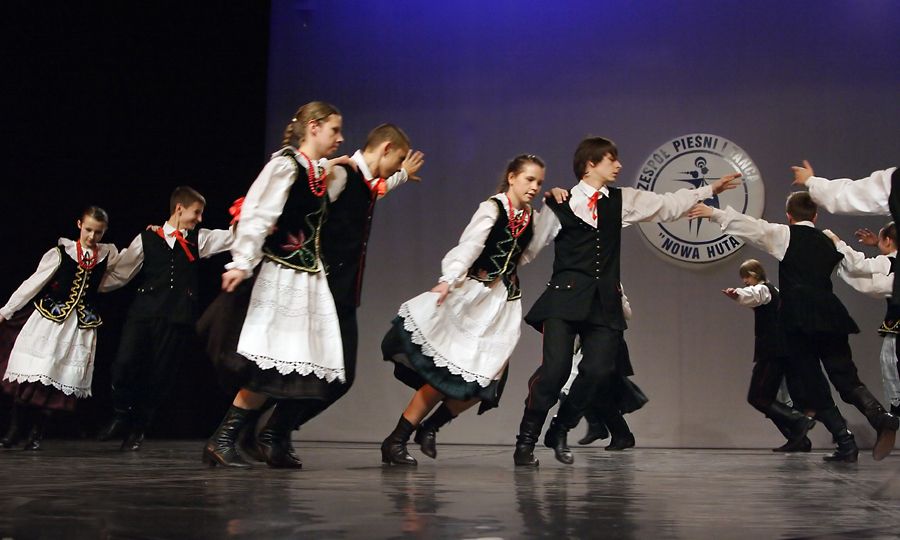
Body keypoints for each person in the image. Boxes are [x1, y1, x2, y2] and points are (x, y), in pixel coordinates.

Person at [513, 136, 739, 467]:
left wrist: (709, 189)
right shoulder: (560, 203)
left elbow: (666, 204)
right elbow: (529, 249)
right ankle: (525, 442)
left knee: (599, 370)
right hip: (564, 299)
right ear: (591, 164)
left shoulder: (622, 200)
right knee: (554, 371)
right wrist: (494, 273)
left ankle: (560, 429)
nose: (618, 165)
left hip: (603, 302)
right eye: (611, 160)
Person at [254, 124, 425, 458]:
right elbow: (306, 206)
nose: (397, 166)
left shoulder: (362, 181)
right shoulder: (342, 174)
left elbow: (374, 189)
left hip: (343, 294)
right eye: (398, 159)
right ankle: (265, 432)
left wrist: (402, 175)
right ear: (386, 149)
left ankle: (272, 431)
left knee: (337, 378)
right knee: (312, 372)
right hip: (323, 290)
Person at [198, 101, 353, 468]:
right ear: (313, 127)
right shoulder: (285, 166)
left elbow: (345, 170)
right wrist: (242, 263)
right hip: (280, 276)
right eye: (334, 130)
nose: (340, 138)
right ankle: (223, 438)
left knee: (304, 364)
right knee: (269, 363)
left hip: (307, 279)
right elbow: (257, 214)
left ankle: (263, 439)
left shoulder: (317, 172)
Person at [690, 192, 899, 462]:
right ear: (815, 215)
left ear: (789, 215)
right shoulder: (828, 240)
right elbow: (858, 269)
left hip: (798, 320)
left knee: (813, 384)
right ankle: (880, 416)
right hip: (830, 314)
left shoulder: (785, 235)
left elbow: (753, 228)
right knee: (846, 378)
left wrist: (714, 213)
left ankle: (846, 442)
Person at [380, 154, 549, 465]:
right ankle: (396, 440)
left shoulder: (532, 218)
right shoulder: (492, 208)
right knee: (442, 376)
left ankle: (430, 427)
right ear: (512, 177)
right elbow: (470, 246)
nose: (535, 187)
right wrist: (448, 279)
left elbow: (526, 254)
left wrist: (553, 208)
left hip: (501, 306)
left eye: (539, 182)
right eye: (529, 179)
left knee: (486, 383)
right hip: (472, 298)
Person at [96, 186, 234, 451]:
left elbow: (231, 237)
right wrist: (91, 287)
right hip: (144, 312)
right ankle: (122, 413)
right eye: (197, 212)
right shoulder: (146, 238)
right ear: (179, 209)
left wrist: (252, 221)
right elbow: (121, 273)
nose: (200, 218)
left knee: (159, 375)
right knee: (124, 364)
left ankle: (138, 428)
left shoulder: (199, 239)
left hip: (177, 317)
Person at [0, 207, 129, 450]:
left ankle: (36, 434)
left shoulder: (106, 255)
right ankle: (14, 431)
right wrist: (6, 311)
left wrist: (149, 237)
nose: (92, 236)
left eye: (98, 232)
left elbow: (127, 267)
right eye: (88, 229)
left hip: (79, 327)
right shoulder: (62, 252)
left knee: (57, 380)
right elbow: (33, 283)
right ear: (79, 224)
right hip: (50, 321)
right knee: (33, 373)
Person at [721, 259, 815, 452]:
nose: (745, 281)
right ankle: (798, 438)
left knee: (758, 397)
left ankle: (800, 421)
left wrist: (736, 293)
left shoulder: (764, 290)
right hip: (779, 351)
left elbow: (753, 294)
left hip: (772, 352)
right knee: (768, 400)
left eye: (746, 277)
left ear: (754, 274)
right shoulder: (775, 292)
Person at [825, 223, 900, 417]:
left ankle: (896, 410)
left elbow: (860, 268)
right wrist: (879, 244)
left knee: (892, 366)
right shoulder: (891, 261)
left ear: (888, 241)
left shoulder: (890, 262)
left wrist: (837, 242)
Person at [559, 288, 646, 451]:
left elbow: (627, 314)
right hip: (589, 347)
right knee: (597, 393)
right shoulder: (580, 286)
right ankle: (616, 433)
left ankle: (607, 430)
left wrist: (618, 297)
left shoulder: (611, 285)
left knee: (591, 390)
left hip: (607, 346)